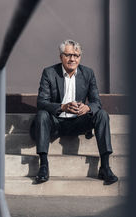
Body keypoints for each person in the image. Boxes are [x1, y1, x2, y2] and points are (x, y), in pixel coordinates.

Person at [34, 39, 118, 185]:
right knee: (42, 115)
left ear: (80, 57)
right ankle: (43, 165)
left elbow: (96, 101)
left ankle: (105, 166)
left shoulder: (88, 73)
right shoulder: (49, 72)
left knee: (102, 114)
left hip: (79, 121)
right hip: (56, 122)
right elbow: (41, 102)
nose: (72, 59)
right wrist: (62, 107)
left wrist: (88, 108)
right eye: (68, 55)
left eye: (76, 55)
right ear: (61, 56)